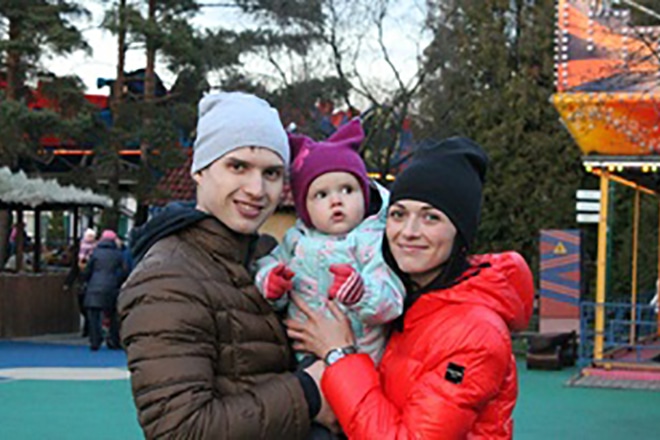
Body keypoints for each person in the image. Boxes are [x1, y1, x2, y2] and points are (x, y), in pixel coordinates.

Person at [118, 92, 333, 439]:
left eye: (271, 173)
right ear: (200, 170)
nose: (256, 189)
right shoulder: (167, 277)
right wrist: (308, 393)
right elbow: (180, 431)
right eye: (238, 167)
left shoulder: (267, 256)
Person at [287, 137, 534, 439]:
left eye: (431, 217)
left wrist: (339, 355)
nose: (409, 231)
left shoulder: (475, 335)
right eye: (399, 214)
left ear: (460, 232)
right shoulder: (405, 299)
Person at [255, 119, 404, 364]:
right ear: (305, 208)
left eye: (347, 190)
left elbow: (392, 301)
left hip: (359, 359)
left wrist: (361, 293)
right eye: (321, 194)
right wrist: (270, 282)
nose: (336, 201)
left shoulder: (372, 241)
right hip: (302, 355)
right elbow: (267, 264)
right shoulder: (295, 239)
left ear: (364, 195)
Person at [82, 229, 126, 350]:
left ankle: (95, 340)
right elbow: (124, 271)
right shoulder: (118, 254)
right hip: (111, 287)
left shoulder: (95, 253)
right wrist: (117, 281)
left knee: (93, 316)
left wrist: (87, 281)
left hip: (94, 287)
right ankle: (113, 340)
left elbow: (88, 270)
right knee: (113, 315)